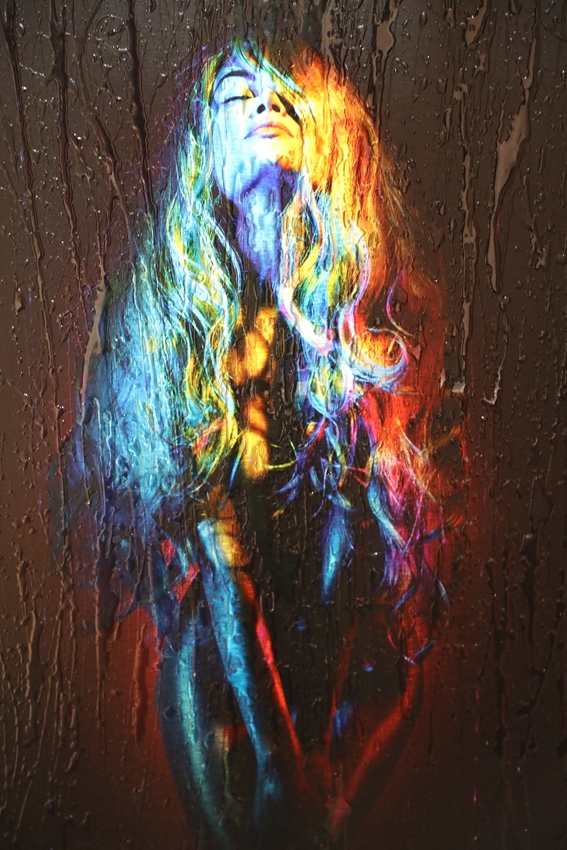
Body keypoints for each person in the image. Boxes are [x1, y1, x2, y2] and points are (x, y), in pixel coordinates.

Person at [57, 38, 453, 850]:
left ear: (330, 133)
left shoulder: (382, 315)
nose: (265, 105)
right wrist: (276, 759)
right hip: (223, 647)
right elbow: (219, 558)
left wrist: (317, 771)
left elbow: (365, 556)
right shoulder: (175, 327)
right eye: (238, 97)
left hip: (358, 644)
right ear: (204, 150)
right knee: (204, 656)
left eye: (283, 95)